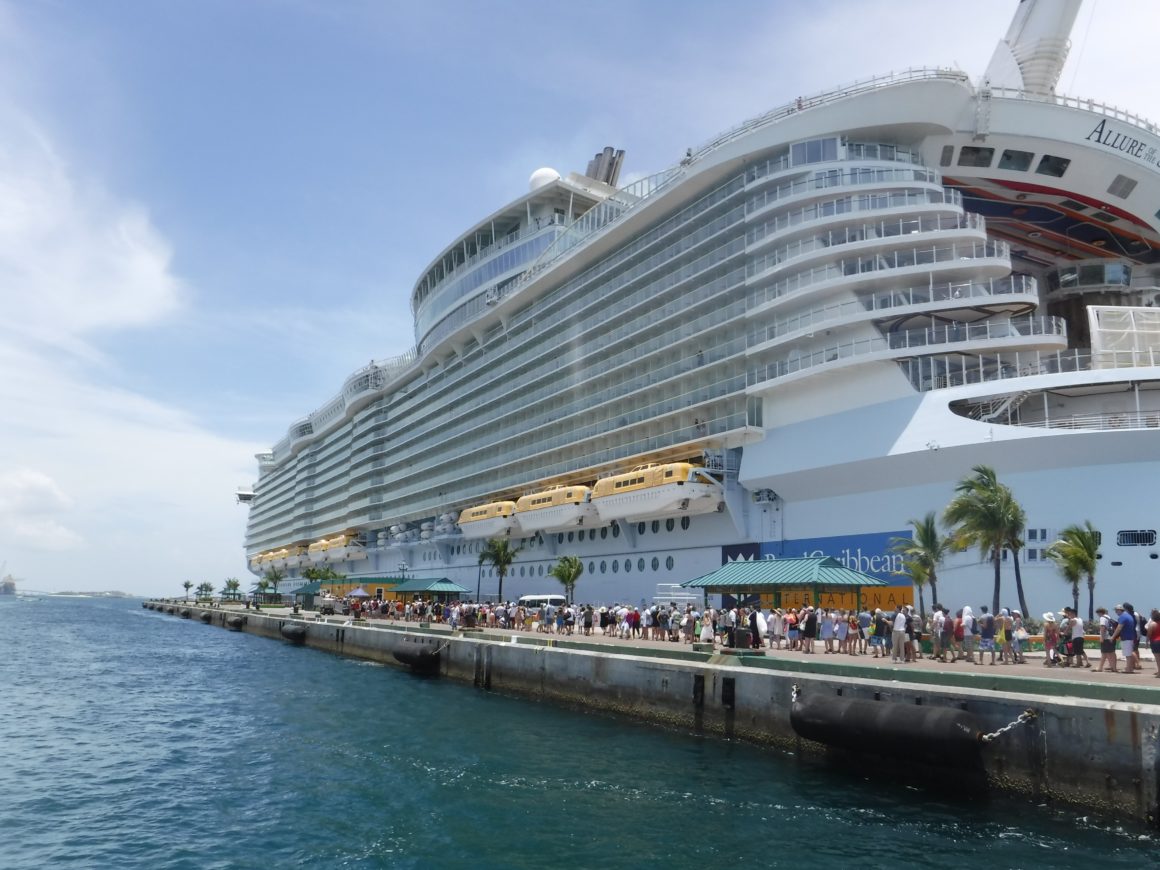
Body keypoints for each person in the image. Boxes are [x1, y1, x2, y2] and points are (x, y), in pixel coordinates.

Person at [1111, 603, 1138, 674]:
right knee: (1129, 653)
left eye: (1116, 611)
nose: (1116, 612)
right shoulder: (1129, 616)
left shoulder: (1122, 617)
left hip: (1126, 638)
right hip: (1130, 637)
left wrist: (1113, 637)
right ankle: (1130, 668)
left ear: (1120, 610)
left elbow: (1119, 628)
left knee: (1128, 655)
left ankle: (1129, 669)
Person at [1096, 606, 1118, 673]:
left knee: (1106, 653)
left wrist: (1101, 637)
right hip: (1111, 637)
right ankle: (1101, 667)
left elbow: (1103, 627)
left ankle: (1111, 668)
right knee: (1108, 653)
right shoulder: (1108, 617)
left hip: (1106, 638)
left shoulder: (1102, 618)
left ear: (1099, 613)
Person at [1146, 609, 1160, 678]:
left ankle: (1159, 673)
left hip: (1155, 642)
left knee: (1157, 658)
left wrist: (1146, 643)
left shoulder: (1152, 625)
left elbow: (1149, 635)